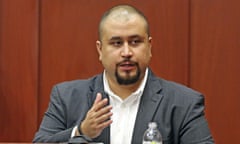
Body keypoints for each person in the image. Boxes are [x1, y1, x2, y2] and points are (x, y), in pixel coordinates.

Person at [33, 4, 214, 144]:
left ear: (149, 47)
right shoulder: (67, 97)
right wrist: (81, 132)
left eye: (135, 42)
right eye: (116, 43)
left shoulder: (184, 103)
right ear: (100, 49)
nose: (126, 52)